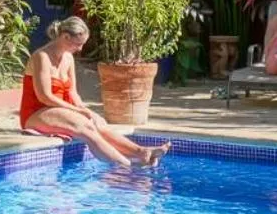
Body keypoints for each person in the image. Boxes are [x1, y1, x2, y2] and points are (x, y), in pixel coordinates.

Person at [21, 17, 171, 167]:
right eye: (78, 44)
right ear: (65, 36)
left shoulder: (68, 58)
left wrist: (87, 111)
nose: (80, 49)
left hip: (58, 109)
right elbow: (45, 97)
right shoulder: (42, 57)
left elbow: (73, 93)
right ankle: (128, 166)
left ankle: (140, 152)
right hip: (36, 112)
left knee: (97, 123)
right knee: (85, 128)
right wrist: (77, 111)